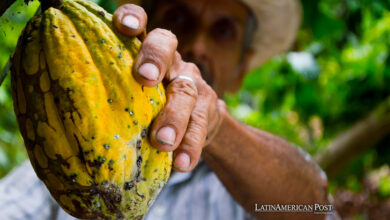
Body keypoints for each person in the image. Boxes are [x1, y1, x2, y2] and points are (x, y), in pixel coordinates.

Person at [0, 0, 339, 219]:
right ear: (141, 30)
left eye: (223, 31)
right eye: (178, 16)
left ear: (242, 67)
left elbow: (312, 206)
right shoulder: (62, 158)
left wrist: (217, 128)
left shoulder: (253, 187)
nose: (197, 45)